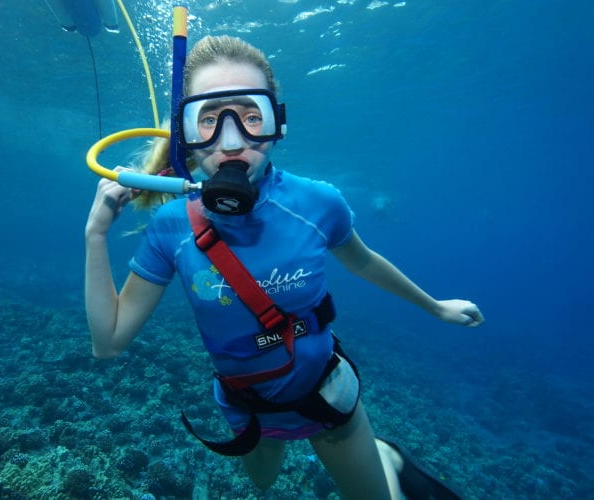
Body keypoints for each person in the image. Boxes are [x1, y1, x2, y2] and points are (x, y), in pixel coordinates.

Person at [85, 35, 484, 499]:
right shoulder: (171, 226)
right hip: (247, 406)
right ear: (186, 135)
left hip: (325, 394)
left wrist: (436, 308)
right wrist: (94, 237)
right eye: (210, 120)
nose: (231, 141)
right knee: (263, 481)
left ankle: (386, 457)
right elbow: (108, 344)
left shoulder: (317, 203)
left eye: (251, 116)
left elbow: (364, 262)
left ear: (277, 125)